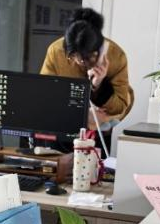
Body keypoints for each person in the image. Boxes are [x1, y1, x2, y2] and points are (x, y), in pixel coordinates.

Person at [41, 8, 134, 148]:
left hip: (99, 129)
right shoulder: (56, 51)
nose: (79, 61)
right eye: (73, 56)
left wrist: (99, 85)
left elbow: (120, 107)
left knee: (94, 158)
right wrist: (82, 113)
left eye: (85, 57)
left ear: (99, 49)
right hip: (63, 125)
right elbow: (45, 96)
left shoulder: (116, 55)